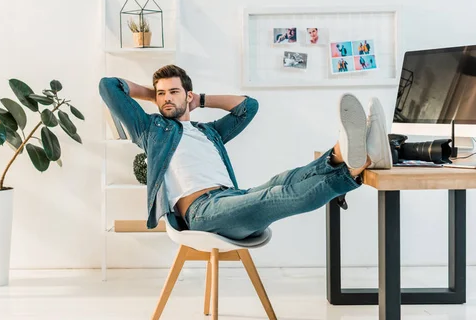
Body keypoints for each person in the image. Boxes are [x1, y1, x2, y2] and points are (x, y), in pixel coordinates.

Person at [98, 65, 392, 240]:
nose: (165, 98)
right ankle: (355, 165)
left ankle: (345, 152)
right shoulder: (150, 130)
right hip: (202, 213)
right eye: (161, 94)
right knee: (276, 196)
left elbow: (247, 107)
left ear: (188, 95)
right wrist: (153, 94)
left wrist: (198, 100)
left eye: (173, 92)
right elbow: (108, 86)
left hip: (232, 198)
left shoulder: (208, 132)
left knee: (284, 179)